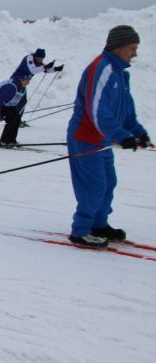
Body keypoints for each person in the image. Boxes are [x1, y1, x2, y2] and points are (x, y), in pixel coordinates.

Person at [66, 25, 150, 248]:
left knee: (108, 183)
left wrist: (138, 132)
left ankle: (99, 224)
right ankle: (81, 230)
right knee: (94, 185)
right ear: (119, 47)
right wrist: (121, 135)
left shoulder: (119, 74)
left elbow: (125, 109)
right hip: (86, 137)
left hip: (102, 139)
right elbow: (97, 109)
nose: (135, 53)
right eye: (132, 48)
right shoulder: (101, 68)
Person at [0, 75, 31, 146]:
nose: (28, 82)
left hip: (7, 105)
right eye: (27, 80)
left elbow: (14, 101)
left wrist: (15, 113)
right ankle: (3, 141)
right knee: (11, 120)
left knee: (17, 119)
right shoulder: (12, 88)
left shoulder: (22, 88)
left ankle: (12, 140)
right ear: (21, 80)